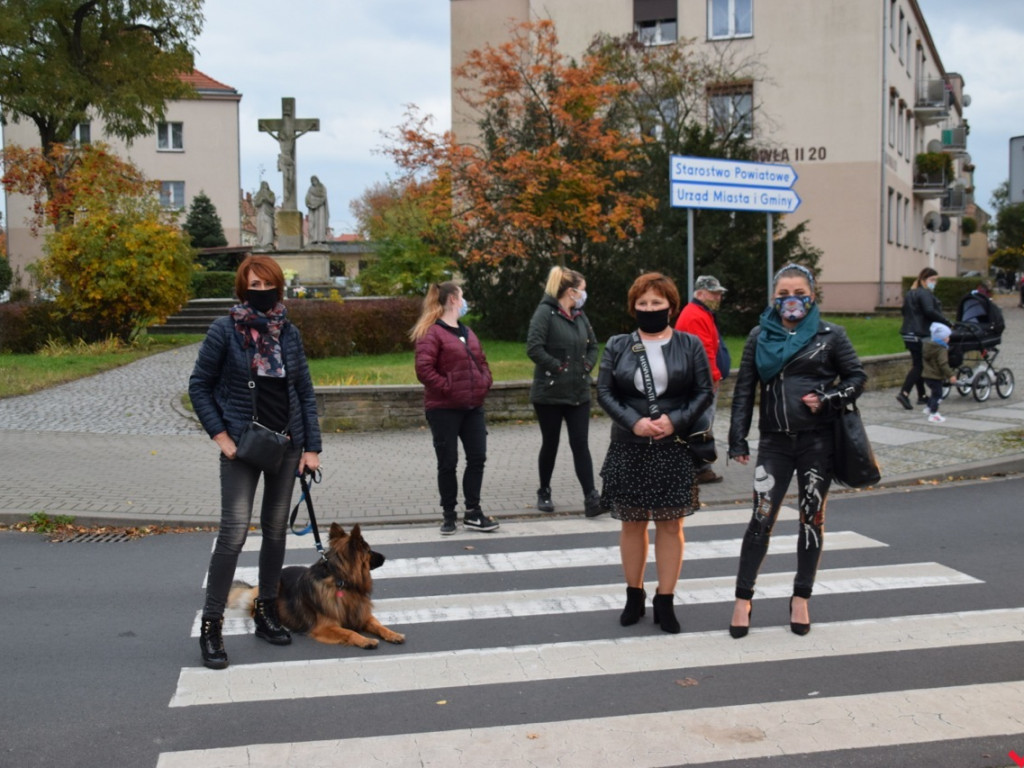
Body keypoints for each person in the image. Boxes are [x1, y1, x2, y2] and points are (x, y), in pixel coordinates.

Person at [188, 254, 322, 670]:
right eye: (253, 286)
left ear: (278, 288)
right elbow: (199, 386)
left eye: (267, 286)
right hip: (243, 449)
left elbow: (303, 391)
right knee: (233, 534)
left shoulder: (290, 333)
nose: (260, 293)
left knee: (276, 531)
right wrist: (222, 438)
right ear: (241, 287)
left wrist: (311, 447)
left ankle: (266, 610)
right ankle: (212, 625)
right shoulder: (224, 330)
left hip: (287, 448)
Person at [727, 264, 865, 639]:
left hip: (817, 442)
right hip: (774, 443)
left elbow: (857, 378)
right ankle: (743, 598)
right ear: (774, 298)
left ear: (812, 295)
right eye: (782, 293)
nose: (791, 300)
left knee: (811, 518)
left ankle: (801, 597)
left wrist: (827, 397)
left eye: (798, 292)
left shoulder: (831, 335)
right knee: (760, 517)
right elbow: (744, 391)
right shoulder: (759, 335)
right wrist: (737, 438)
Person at [597, 272, 714, 634]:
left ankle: (666, 599)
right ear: (634, 307)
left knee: (670, 524)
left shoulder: (689, 344)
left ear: (670, 306)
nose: (649, 309)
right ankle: (634, 595)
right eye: (642, 303)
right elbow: (604, 391)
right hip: (629, 445)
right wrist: (634, 422)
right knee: (632, 523)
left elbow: (703, 391)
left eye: (656, 303)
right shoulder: (618, 344)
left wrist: (674, 420)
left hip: (672, 447)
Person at [411, 282, 499, 536]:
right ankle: (449, 514)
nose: (464, 301)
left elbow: (482, 361)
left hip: (473, 407)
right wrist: (449, 388)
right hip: (444, 409)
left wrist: (484, 383)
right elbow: (424, 370)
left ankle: (473, 512)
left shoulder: (467, 332)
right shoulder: (432, 332)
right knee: (448, 462)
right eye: (462, 296)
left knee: (477, 458)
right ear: (452, 300)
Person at [526, 266, 600, 516]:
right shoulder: (544, 313)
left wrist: (586, 366)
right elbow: (534, 348)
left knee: (580, 444)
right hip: (549, 393)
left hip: (578, 392)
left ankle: (591, 497)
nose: (584, 295)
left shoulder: (580, 315)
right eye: (582, 290)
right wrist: (559, 367)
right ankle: (544, 490)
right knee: (551, 443)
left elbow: (593, 345)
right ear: (571, 291)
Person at [675, 274, 728, 484]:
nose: (718, 297)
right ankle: (700, 467)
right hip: (700, 382)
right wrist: (714, 376)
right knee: (702, 422)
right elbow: (704, 351)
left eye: (719, 294)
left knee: (700, 421)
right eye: (714, 293)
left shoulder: (699, 313)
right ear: (700, 293)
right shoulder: (696, 315)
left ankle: (698, 466)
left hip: (697, 380)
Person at [897, 268, 952, 410]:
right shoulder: (925, 293)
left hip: (908, 332)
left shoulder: (911, 293)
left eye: (935, 280)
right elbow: (929, 311)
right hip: (919, 333)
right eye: (932, 280)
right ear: (923, 280)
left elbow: (904, 311)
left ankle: (921, 395)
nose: (934, 283)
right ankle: (904, 392)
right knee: (920, 365)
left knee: (918, 363)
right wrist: (946, 322)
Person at [922, 322, 956, 423]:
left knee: (934, 393)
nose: (949, 339)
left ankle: (928, 408)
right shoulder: (941, 349)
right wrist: (951, 375)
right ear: (943, 338)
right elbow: (943, 364)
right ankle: (934, 414)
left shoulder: (928, 346)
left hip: (927, 375)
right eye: (947, 337)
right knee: (938, 395)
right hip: (935, 376)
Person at [305, 175, 330, 243]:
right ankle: (314, 239)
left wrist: (316, 201)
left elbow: (323, 196)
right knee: (313, 223)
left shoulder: (322, 188)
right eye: (312, 181)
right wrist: (310, 203)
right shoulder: (310, 189)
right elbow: (307, 198)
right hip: (313, 210)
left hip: (320, 209)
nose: (313, 182)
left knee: (320, 223)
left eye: (314, 180)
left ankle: (321, 239)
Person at [253, 182, 276, 249]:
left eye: (265, 185)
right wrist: (261, 199)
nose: (264, 187)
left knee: (268, 228)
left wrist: (266, 197)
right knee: (260, 229)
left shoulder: (271, 193)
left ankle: (268, 243)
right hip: (260, 213)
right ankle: (260, 243)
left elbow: (272, 201)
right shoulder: (258, 194)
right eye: (263, 186)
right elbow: (256, 203)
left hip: (268, 213)